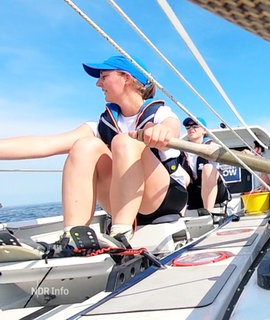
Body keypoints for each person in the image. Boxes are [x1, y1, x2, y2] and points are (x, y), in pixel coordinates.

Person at [0, 55, 188, 246]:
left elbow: (171, 128)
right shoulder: (102, 124)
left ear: (126, 77)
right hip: (121, 202)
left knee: (124, 142)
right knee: (84, 145)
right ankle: (73, 236)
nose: (98, 84)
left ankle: (120, 233)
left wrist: (162, 133)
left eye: (103, 76)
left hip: (162, 199)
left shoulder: (161, 114)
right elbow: (45, 144)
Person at [180, 117, 229, 214]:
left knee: (208, 168)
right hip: (194, 194)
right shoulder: (181, 150)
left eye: (195, 126)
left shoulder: (213, 147)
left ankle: (208, 213)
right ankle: (179, 216)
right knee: (177, 172)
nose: (191, 129)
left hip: (216, 192)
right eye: (188, 127)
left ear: (204, 130)